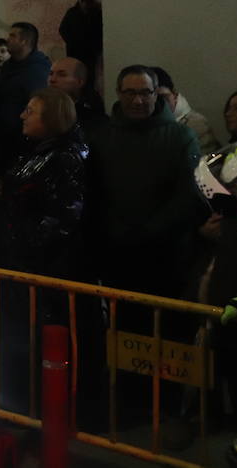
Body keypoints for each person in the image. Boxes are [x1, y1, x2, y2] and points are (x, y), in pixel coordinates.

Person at [88, 65, 202, 298]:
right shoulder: (101, 135)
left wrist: (151, 231)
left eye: (145, 93)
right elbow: (94, 191)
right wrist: (114, 229)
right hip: (116, 251)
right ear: (119, 93)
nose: (138, 100)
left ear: (155, 93)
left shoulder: (181, 136)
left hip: (167, 254)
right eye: (130, 93)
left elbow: (189, 193)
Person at [0, 88, 86, 280]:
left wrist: (23, 245)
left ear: (51, 118)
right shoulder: (38, 150)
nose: (22, 116)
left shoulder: (64, 159)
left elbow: (60, 217)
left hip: (44, 266)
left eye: (30, 111)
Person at [0, 22, 51, 149]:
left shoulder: (37, 70)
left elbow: (37, 106)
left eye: (12, 36)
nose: (7, 39)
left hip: (22, 138)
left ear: (24, 41)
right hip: (4, 135)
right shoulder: (8, 65)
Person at [150, 67, 219, 154]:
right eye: (153, 100)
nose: (159, 104)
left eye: (163, 98)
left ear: (174, 94)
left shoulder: (195, 124)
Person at [47, 56, 107, 134]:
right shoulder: (39, 110)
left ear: (79, 82)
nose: (52, 79)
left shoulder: (93, 119)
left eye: (62, 75)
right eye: (51, 74)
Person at [59, 0, 103, 72]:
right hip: (77, 50)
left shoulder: (96, 13)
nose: (86, 7)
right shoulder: (72, 12)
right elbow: (62, 29)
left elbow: (100, 32)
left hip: (88, 51)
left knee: (87, 74)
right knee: (74, 72)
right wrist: (71, 42)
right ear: (81, 3)